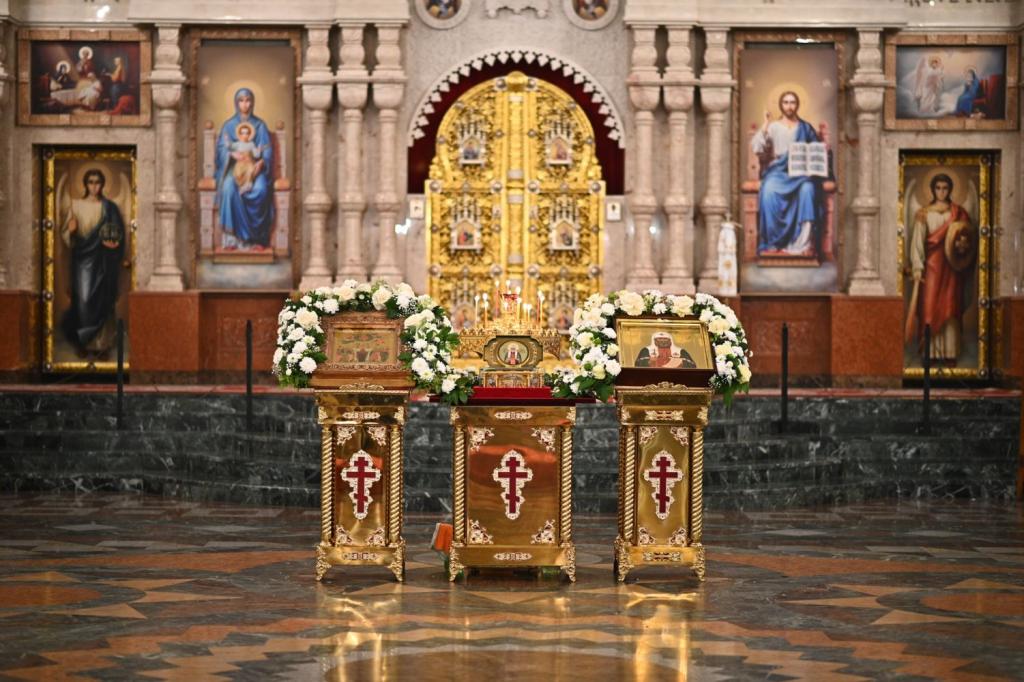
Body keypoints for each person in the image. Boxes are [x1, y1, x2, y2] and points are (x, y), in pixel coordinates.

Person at [905, 173, 975, 363]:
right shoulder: (924, 213)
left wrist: (962, 253)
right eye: (938, 188)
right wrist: (917, 267)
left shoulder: (959, 213)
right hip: (931, 268)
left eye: (945, 188)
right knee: (929, 309)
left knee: (951, 308)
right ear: (933, 190)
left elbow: (968, 238)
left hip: (952, 268)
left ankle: (950, 352)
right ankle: (930, 353)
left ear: (950, 189)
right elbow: (917, 242)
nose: (942, 192)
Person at [751, 91, 827, 258]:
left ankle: (802, 244)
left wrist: (819, 156)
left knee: (808, 189)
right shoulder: (774, 126)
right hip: (778, 172)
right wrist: (765, 123)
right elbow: (757, 147)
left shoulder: (805, 128)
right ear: (781, 105)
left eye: (792, 102)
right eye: (785, 102)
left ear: (797, 105)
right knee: (768, 191)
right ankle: (773, 242)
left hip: (801, 174)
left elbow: (816, 151)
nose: (789, 106)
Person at [60, 169, 125, 356]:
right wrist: (71, 231)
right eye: (91, 182)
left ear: (102, 184)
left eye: (97, 182)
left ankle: (102, 345)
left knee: (103, 300)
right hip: (82, 261)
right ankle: (83, 343)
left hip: (104, 261)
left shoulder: (110, 207)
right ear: (85, 184)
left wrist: (114, 244)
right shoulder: (76, 206)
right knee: (83, 302)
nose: (94, 186)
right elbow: (67, 237)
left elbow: (117, 234)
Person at [215, 88, 275, 250]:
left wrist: (262, 162)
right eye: (241, 101)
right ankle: (232, 239)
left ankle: (256, 239)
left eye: (248, 100)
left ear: (252, 102)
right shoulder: (228, 126)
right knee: (228, 187)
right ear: (236, 103)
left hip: (254, 168)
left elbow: (266, 150)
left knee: (261, 190)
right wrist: (231, 154)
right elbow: (222, 149)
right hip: (234, 169)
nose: (245, 104)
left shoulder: (260, 126)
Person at [229, 122, 262, 195]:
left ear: (249, 135)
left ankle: (248, 186)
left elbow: (256, 155)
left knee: (250, 169)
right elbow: (229, 149)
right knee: (238, 173)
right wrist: (233, 154)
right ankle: (241, 186)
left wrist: (258, 150)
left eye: (247, 133)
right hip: (240, 163)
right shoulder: (237, 144)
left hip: (249, 162)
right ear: (240, 135)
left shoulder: (251, 144)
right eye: (243, 133)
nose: (245, 135)